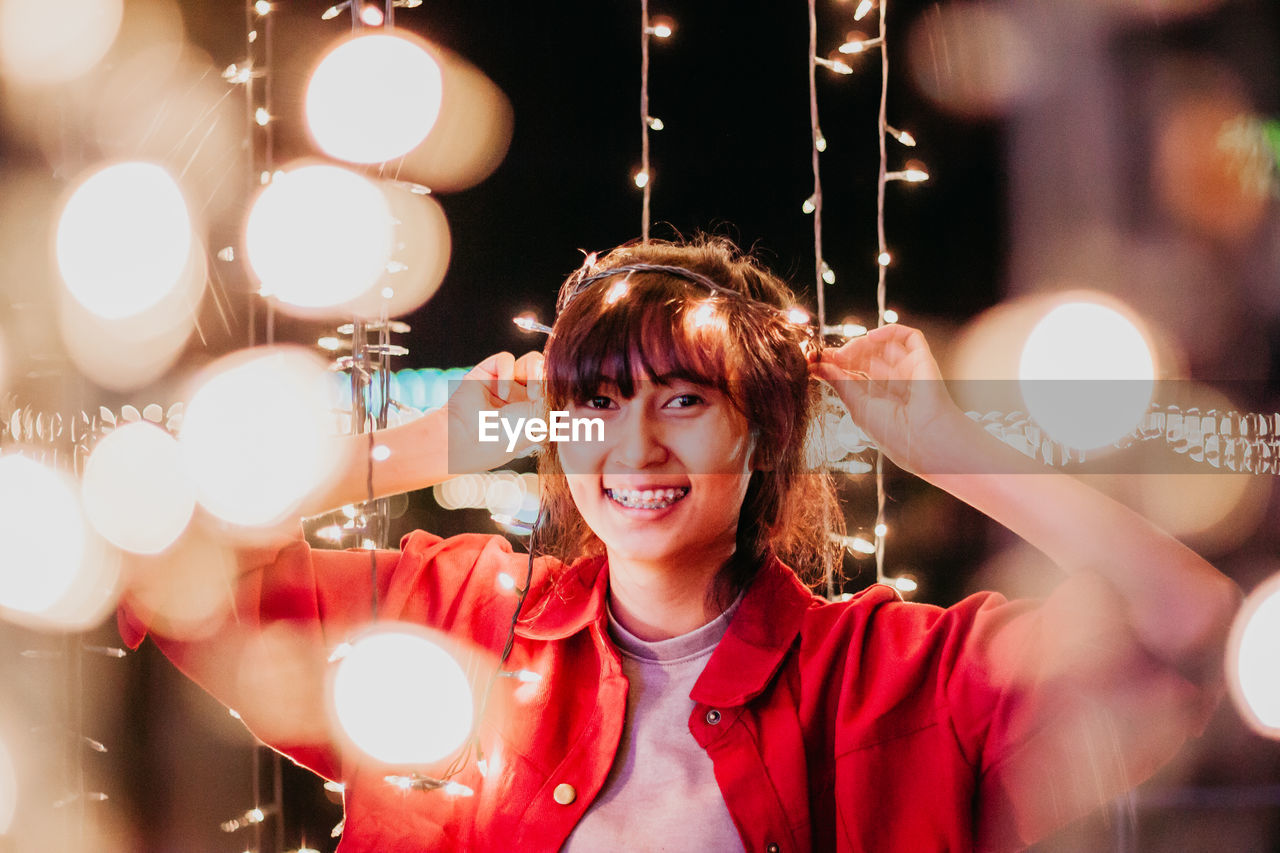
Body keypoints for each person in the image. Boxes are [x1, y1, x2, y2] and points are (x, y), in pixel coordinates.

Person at [121, 237, 1240, 852]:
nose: (635, 447)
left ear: (762, 434)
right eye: (597, 403)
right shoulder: (449, 619)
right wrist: (426, 445)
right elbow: (166, 553)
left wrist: (949, 449)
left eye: (685, 401)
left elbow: (1186, 629)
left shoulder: (897, 676)